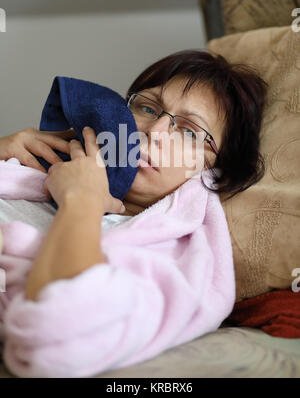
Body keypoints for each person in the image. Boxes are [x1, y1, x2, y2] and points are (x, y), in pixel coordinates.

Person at [0, 49, 268, 301]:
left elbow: (58, 317)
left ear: (215, 171)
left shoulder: (172, 260)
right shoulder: (43, 164)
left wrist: (81, 198)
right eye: (148, 108)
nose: (154, 130)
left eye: (189, 131)